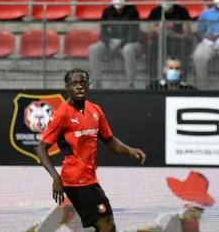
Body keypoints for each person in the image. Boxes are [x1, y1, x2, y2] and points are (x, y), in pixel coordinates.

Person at [36, 68, 146, 232]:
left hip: (89, 178)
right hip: (74, 179)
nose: (79, 87)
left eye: (82, 83)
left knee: (106, 223)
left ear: (88, 85)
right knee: (106, 224)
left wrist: (130, 150)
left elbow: (110, 141)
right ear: (67, 87)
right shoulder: (61, 115)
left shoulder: (95, 110)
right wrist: (55, 177)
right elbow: (41, 148)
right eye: (74, 84)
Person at [88, 0, 140, 88]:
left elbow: (134, 33)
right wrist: (108, 42)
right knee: (93, 49)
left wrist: (121, 43)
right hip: (109, 43)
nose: (118, 0)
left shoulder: (133, 11)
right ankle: (97, 84)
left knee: (128, 50)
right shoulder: (107, 12)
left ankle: (130, 84)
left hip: (128, 43)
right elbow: (103, 31)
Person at [146, 0, 193, 81]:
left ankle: (183, 81)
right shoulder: (155, 11)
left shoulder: (182, 11)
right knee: (150, 50)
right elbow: (150, 32)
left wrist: (172, 34)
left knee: (183, 49)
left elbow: (187, 32)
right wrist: (157, 30)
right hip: (159, 42)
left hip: (178, 42)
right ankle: (153, 81)